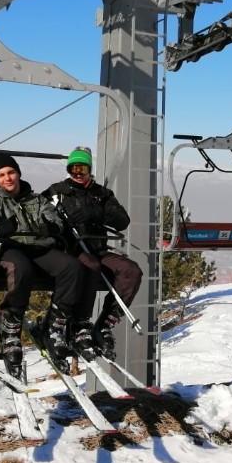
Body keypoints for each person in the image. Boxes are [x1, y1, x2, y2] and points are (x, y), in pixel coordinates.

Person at [0, 153, 83, 371]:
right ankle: (11, 327)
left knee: (71, 267)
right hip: (11, 249)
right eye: (1, 175)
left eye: (11, 172)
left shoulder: (36, 199)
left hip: (38, 247)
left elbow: (54, 218)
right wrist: (0, 230)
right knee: (20, 268)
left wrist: (53, 228)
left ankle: (54, 324)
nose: (7, 178)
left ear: (18, 173)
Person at [44, 146, 142, 360]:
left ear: (89, 169)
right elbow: (42, 217)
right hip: (72, 250)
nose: (77, 174)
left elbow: (122, 221)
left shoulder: (101, 194)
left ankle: (105, 323)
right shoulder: (57, 192)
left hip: (97, 248)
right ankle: (79, 324)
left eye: (82, 169)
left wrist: (97, 214)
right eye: (73, 169)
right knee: (90, 264)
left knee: (131, 271)